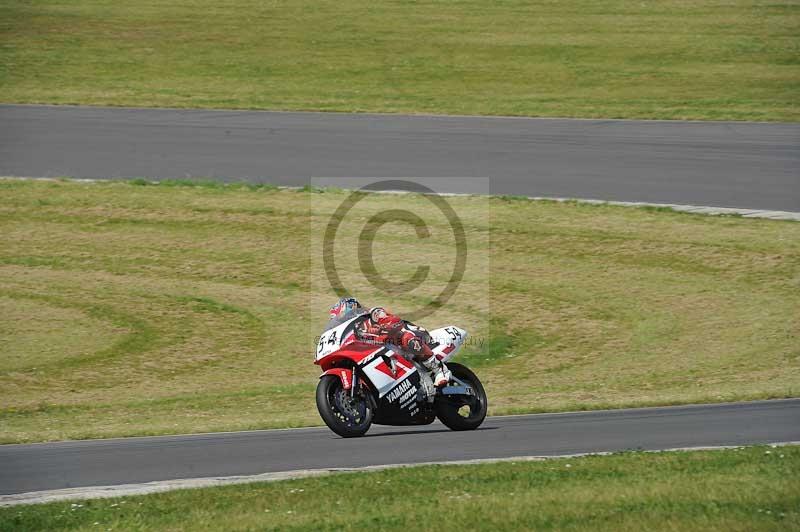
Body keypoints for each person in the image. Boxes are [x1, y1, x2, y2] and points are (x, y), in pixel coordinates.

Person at [328, 297, 452, 387]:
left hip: (413, 337)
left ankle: (440, 370)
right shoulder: (353, 333)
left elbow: (396, 321)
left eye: (341, 319)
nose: (340, 323)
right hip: (390, 352)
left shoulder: (373, 314)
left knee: (404, 337)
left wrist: (383, 329)